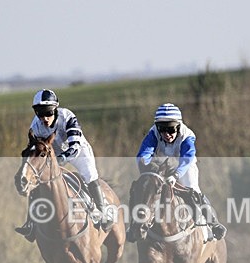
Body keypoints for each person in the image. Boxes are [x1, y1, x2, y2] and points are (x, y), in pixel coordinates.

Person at [15, 89, 114, 239]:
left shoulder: (67, 116)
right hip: (53, 153)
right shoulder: (35, 126)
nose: (44, 118)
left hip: (77, 151)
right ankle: (31, 223)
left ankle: (103, 211)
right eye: (40, 113)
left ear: (55, 109)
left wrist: (59, 160)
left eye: (48, 112)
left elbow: (75, 148)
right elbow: (35, 150)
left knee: (89, 175)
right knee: (37, 180)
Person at [136, 102, 226, 240]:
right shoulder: (153, 133)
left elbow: (187, 158)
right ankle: (135, 225)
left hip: (184, 165)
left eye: (171, 129)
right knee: (145, 189)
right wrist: (147, 170)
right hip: (162, 165)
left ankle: (211, 225)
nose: (167, 134)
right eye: (162, 129)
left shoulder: (187, 135)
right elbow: (143, 155)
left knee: (193, 190)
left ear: (178, 126)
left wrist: (176, 175)